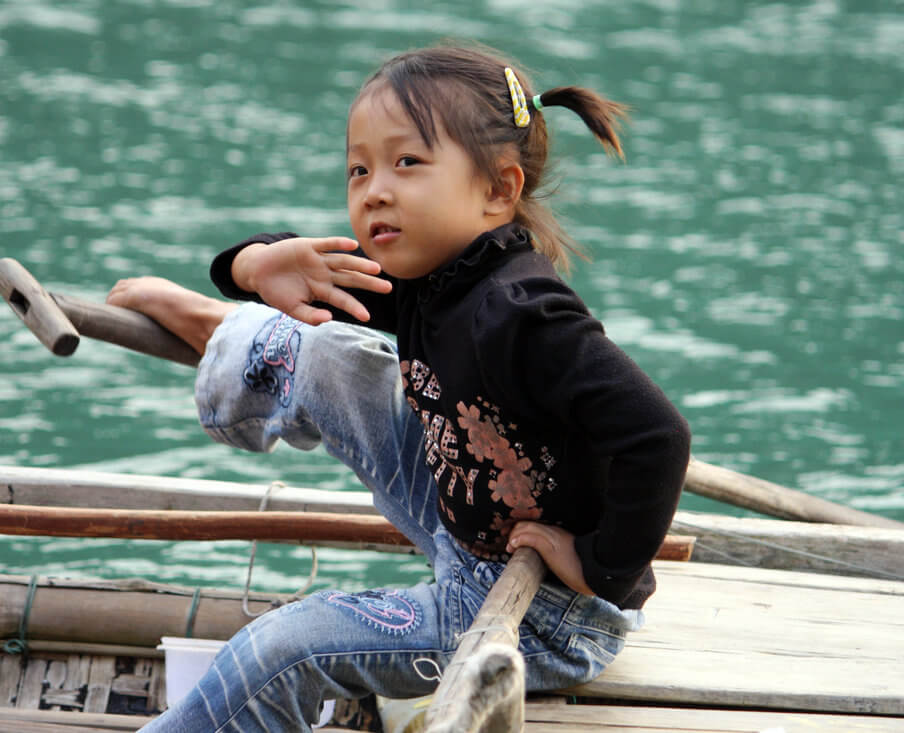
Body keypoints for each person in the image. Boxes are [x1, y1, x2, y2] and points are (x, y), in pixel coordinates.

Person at [110, 43, 690, 732]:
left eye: (406, 163)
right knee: (323, 348)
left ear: (499, 191)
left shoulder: (525, 314)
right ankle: (232, 325)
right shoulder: (428, 273)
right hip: (465, 525)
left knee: (283, 647)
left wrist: (599, 568)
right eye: (359, 169)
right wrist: (258, 264)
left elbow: (658, 435)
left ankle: (238, 330)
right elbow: (291, 265)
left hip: (535, 613)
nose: (374, 189)